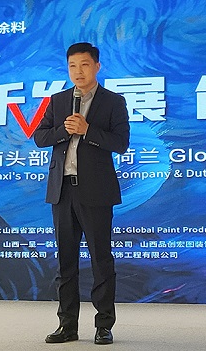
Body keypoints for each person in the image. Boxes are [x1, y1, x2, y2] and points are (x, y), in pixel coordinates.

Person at [33, 42, 130, 345]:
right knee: (66, 262)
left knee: (101, 260)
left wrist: (87, 130)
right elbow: (40, 137)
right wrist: (65, 130)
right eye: (73, 66)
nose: (78, 71)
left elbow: (121, 143)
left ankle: (104, 325)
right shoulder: (58, 100)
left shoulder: (113, 102)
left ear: (97, 66)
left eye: (85, 65)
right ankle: (67, 326)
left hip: (96, 192)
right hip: (62, 192)